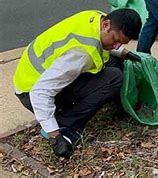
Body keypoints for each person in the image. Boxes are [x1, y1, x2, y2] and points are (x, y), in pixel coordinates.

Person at [13, 9, 142, 159]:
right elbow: (40, 92)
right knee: (114, 78)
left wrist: (124, 53)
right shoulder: (80, 54)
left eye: (121, 43)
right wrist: (55, 137)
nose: (116, 46)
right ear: (106, 25)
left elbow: (105, 43)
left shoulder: (96, 17)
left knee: (115, 60)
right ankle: (65, 124)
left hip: (34, 75)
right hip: (31, 92)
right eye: (115, 40)